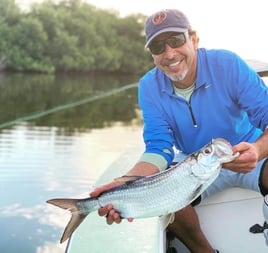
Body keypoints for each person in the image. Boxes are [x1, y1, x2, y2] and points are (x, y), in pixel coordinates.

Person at [90, 9, 268, 253]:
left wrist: (257, 150)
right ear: (152, 55)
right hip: (191, 162)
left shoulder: (227, 64)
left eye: (176, 41)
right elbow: (158, 148)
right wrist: (122, 185)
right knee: (165, 201)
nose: (169, 53)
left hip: (246, 150)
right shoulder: (149, 86)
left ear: (193, 39)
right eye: (158, 47)